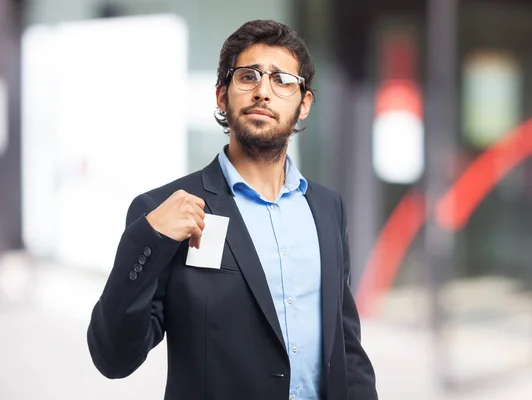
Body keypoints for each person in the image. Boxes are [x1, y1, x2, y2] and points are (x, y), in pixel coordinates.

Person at [87, 19, 378, 400]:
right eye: (248, 77)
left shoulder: (326, 207)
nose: (263, 92)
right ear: (222, 95)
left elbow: (345, 344)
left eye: (282, 80)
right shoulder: (164, 211)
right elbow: (114, 358)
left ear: (304, 104)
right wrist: (149, 238)